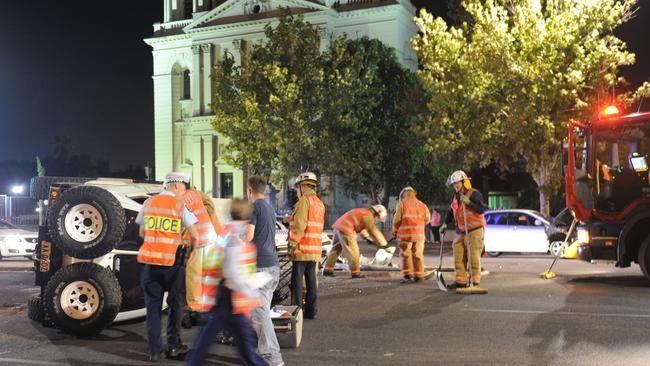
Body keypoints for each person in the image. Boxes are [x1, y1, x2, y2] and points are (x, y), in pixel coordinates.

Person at [186, 199, 267, 366]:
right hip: (232, 298)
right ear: (247, 217)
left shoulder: (226, 235)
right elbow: (233, 273)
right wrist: (253, 292)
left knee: (207, 341)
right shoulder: (235, 239)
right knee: (246, 348)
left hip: (222, 297)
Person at [136, 172, 199, 362]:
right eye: (184, 189)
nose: (183, 193)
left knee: (153, 308)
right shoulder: (179, 205)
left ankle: (154, 350)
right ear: (177, 186)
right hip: (173, 265)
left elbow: (141, 232)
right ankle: (173, 346)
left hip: (150, 265)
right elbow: (195, 235)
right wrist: (190, 252)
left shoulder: (148, 204)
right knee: (176, 306)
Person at [246, 176, 284, 366]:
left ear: (249, 190)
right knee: (260, 311)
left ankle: (272, 357)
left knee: (260, 313)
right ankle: (261, 351)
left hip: (260, 266)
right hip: (273, 266)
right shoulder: (269, 208)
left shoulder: (253, 207)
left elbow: (249, 236)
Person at [439, 170, 488, 288]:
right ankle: (460, 281)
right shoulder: (456, 197)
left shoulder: (474, 193)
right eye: (454, 184)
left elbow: (482, 209)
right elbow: (451, 211)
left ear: (463, 182)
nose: (455, 185)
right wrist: (445, 223)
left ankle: (474, 281)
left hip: (475, 230)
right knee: (458, 254)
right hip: (462, 231)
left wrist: (469, 202)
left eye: (457, 183)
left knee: (473, 256)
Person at [288, 172, 325, 319]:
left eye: (299, 187)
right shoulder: (319, 203)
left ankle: (296, 311)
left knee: (296, 283)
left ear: (304, 186)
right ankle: (311, 311)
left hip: (302, 249)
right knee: (311, 282)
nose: (298, 190)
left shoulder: (304, 201)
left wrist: (292, 244)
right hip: (315, 249)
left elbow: (300, 225)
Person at [323, 205, 389, 278]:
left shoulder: (363, 211)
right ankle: (355, 272)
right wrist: (384, 244)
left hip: (338, 227)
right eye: (378, 218)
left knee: (336, 250)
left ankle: (327, 270)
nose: (377, 219)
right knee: (353, 251)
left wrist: (366, 237)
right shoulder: (368, 215)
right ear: (377, 213)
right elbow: (373, 230)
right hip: (346, 229)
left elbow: (361, 226)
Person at [392, 187, 430, 283]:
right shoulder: (422, 205)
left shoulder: (402, 204)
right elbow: (428, 219)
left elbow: (396, 220)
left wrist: (395, 231)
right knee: (418, 255)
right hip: (419, 235)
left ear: (403, 194)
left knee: (406, 255)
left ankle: (407, 275)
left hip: (406, 235)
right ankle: (419, 275)